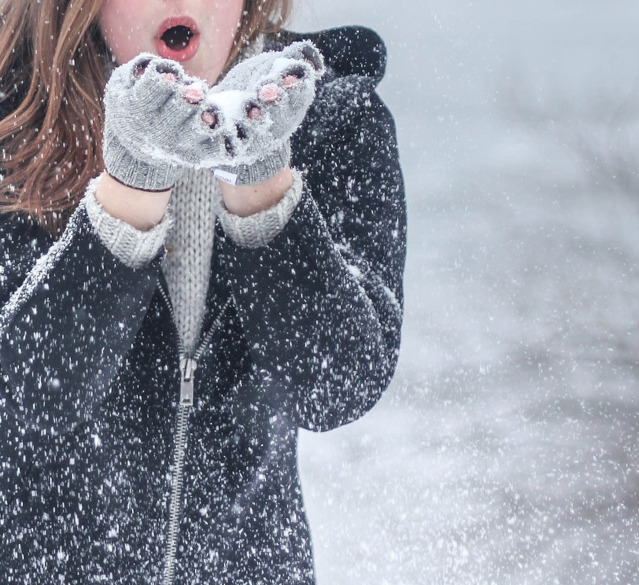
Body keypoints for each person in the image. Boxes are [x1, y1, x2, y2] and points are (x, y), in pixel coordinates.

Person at [0, 0, 406, 583]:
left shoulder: (333, 120)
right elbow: (25, 401)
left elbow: (338, 385)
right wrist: (130, 189)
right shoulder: (13, 127)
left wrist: (261, 181)